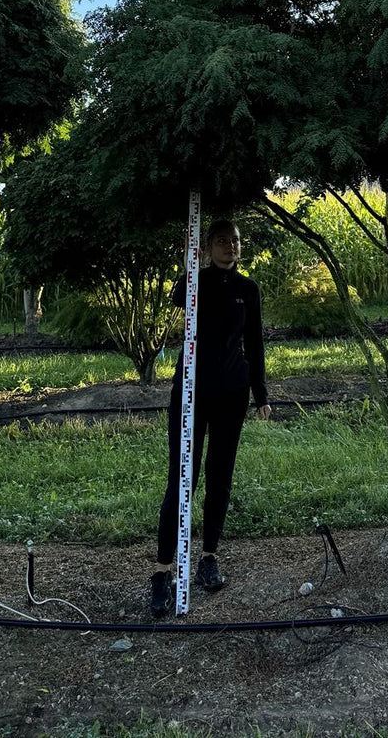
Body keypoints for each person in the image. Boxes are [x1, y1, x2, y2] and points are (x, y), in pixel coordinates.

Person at [150, 218, 271, 613]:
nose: (230, 247)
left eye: (234, 241)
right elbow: (179, 298)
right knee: (181, 477)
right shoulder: (194, 282)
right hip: (190, 393)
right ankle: (163, 571)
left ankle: (208, 558)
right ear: (207, 246)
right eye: (221, 241)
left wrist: (261, 394)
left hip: (232, 393)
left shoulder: (248, 290)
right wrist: (191, 265)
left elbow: (255, 343)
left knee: (220, 476)